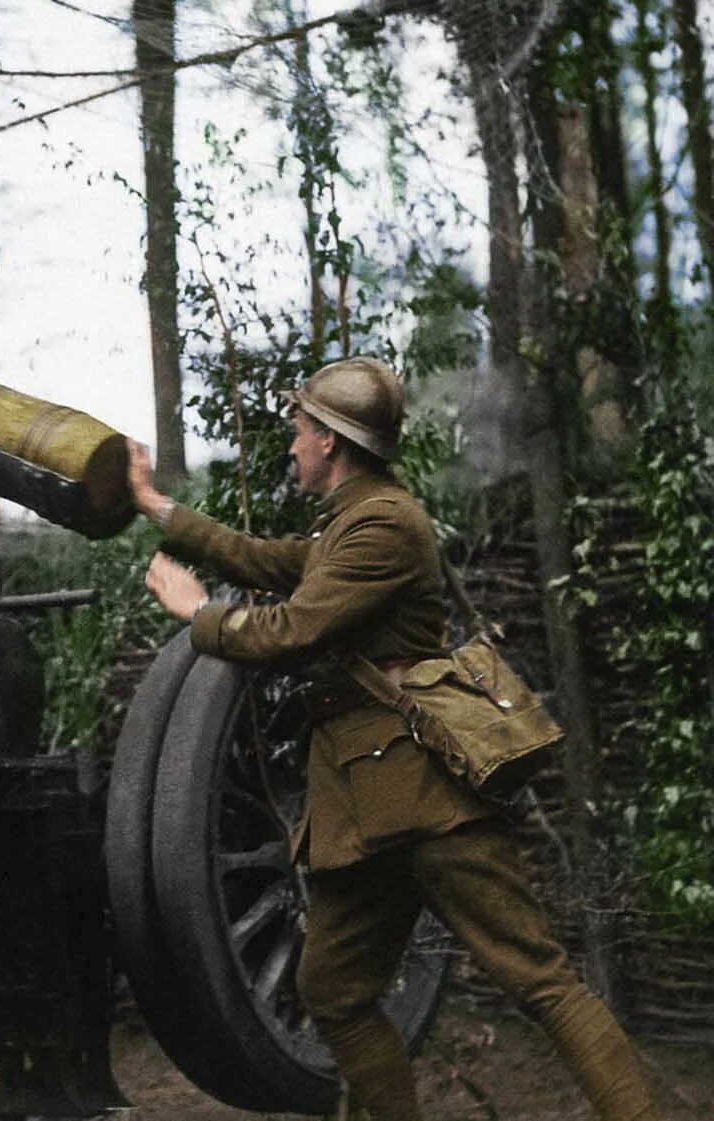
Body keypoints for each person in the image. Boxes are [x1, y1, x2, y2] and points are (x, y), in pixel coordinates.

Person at [127, 357, 657, 1121]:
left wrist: (198, 614)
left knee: (539, 978)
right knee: (334, 990)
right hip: (364, 809)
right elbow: (260, 558)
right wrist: (155, 505)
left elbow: (293, 628)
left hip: (427, 793)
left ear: (333, 444)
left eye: (301, 433)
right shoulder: (350, 524)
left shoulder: (385, 524)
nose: (293, 448)